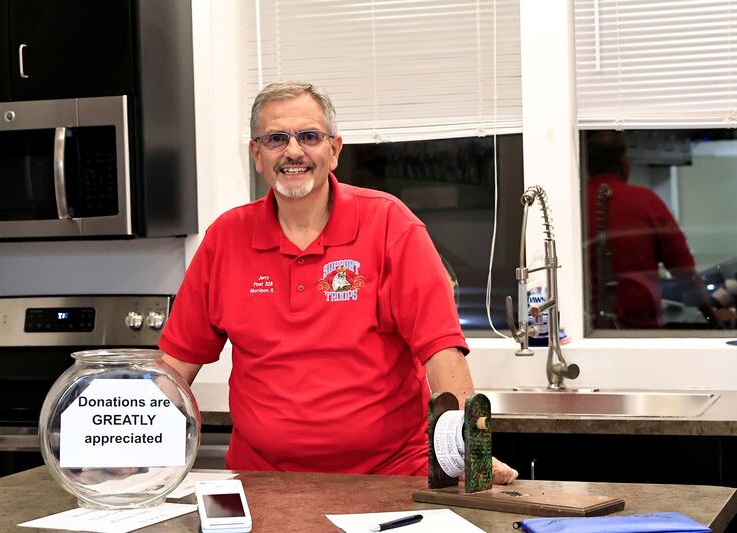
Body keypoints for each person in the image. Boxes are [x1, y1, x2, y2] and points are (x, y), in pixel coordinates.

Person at [158, 81, 517, 483]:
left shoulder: (390, 225)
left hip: (389, 477)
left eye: (309, 136)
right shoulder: (226, 238)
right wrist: (127, 444)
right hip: (261, 479)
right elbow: (175, 367)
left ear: (334, 150)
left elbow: (442, 352)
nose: (293, 151)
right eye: (276, 138)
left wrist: (473, 449)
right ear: (256, 155)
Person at [586, 130, 718, 329]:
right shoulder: (645, 201)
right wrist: (712, 319)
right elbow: (683, 270)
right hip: (639, 329)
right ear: (623, 163)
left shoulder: (574, 204)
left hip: (584, 328)